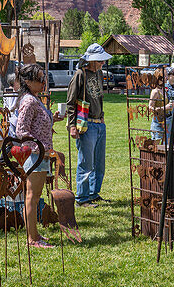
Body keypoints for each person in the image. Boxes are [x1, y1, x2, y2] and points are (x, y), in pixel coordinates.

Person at [15, 63, 62, 248]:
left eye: (44, 78)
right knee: (32, 197)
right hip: (35, 155)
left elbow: (37, 125)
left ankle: (34, 234)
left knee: (35, 196)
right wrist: (38, 147)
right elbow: (21, 131)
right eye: (40, 79)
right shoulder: (28, 101)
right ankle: (32, 239)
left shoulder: (35, 99)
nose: (44, 82)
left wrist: (53, 118)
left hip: (40, 155)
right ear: (28, 81)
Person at [67, 43, 109, 207]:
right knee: (86, 162)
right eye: (99, 60)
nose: (102, 63)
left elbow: (99, 97)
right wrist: (71, 125)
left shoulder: (98, 74)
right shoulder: (80, 74)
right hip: (86, 124)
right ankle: (82, 198)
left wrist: (102, 116)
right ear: (90, 60)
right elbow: (71, 102)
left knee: (98, 163)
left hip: (99, 123)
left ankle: (93, 193)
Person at [149, 66, 174, 143]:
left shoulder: (165, 90)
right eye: (164, 76)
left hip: (167, 122)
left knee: (166, 145)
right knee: (157, 146)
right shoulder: (155, 91)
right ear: (158, 77)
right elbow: (150, 108)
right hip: (158, 123)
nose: (166, 78)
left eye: (166, 76)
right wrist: (165, 107)